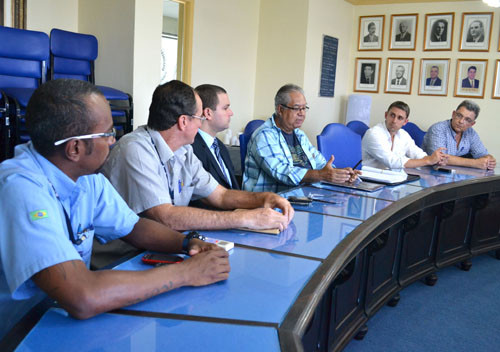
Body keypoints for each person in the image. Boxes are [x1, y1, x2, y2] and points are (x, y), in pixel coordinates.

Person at [0, 79, 230, 340]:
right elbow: (82, 296)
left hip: (58, 319)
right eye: (107, 134)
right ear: (74, 148)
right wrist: (186, 272)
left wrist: (189, 243)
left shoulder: (87, 177)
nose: (113, 141)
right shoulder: (20, 190)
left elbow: (134, 226)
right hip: (17, 333)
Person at [102, 80, 293, 232]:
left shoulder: (184, 151)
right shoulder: (135, 150)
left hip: (165, 245)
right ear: (184, 121)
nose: (201, 125)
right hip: (123, 258)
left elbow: (221, 195)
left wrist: (264, 199)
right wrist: (244, 218)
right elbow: (165, 217)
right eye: (200, 118)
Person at [242, 84, 359, 193]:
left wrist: (341, 174)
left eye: (304, 108)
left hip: (304, 196)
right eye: (297, 108)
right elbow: (282, 172)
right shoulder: (264, 136)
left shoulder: (299, 135)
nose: (302, 113)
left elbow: (321, 164)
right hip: (272, 203)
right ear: (280, 110)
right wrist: (322, 175)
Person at [362, 101, 447, 170]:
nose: (394, 121)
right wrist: (428, 161)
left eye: (400, 118)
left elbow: (416, 153)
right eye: (392, 115)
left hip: (392, 177)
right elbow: (392, 162)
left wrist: (435, 160)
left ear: (405, 122)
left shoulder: (403, 134)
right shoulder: (373, 134)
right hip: (369, 180)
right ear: (386, 115)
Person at [422, 100, 496, 170]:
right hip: (430, 174)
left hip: (456, 174)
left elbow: (482, 154)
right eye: (459, 116)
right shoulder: (438, 129)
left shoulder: (471, 133)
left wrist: (489, 160)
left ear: (472, 124)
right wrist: (475, 163)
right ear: (453, 114)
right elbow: (439, 159)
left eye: (467, 120)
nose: (461, 121)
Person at [191, 84, 239, 190]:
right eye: (225, 108)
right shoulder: (191, 148)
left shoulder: (220, 146)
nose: (231, 113)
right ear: (208, 113)